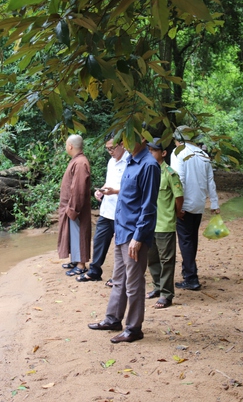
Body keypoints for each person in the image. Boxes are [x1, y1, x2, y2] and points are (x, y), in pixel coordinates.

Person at [88, 137, 160, 343]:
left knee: (134, 282)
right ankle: (113, 319)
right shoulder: (131, 161)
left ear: (142, 138)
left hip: (134, 234)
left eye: (129, 137)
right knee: (118, 279)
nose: (125, 142)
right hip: (121, 231)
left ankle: (134, 328)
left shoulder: (149, 165)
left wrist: (138, 237)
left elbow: (148, 206)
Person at [169, 125, 220, 291]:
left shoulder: (178, 153)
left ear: (177, 138)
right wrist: (214, 203)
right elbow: (210, 180)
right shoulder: (202, 154)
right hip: (198, 203)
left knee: (185, 241)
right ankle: (188, 271)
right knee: (191, 239)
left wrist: (179, 205)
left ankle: (191, 277)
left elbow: (179, 180)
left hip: (185, 203)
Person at [76, 135, 129, 283]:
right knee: (99, 240)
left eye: (113, 148)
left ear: (122, 144)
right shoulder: (111, 162)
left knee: (121, 246)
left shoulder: (130, 162)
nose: (110, 152)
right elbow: (109, 182)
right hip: (107, 210)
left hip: (122, 211)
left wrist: (115, 191)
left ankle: (120, 277)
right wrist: (101, 190)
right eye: (107, 149)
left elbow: (131, 187)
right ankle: (94, 271)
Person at [145, 138, 184, 309]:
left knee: (166, 260)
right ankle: (157, 287)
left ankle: (167, 295)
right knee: (151, 258)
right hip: (149, 223)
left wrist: (175, 213)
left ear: (163, 153)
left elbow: (179, 196)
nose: (150, 153)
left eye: (153, 150)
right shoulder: (147, 171)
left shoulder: (170, 173)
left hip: (165, 223)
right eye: (149, 150)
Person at [57, 134, 92, 276]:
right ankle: (75, 260)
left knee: (79, 234)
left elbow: (78, 189)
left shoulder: (80, 163)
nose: (66, 147)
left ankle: (81, 265)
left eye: (66, 145)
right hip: (70, 206)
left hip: (76, 207)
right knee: (72, 234)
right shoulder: (77, 161)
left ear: (70, 146)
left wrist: (73, 209)